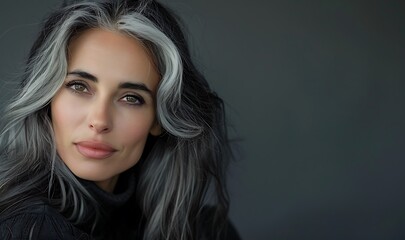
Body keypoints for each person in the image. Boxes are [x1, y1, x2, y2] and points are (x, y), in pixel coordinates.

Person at [0, 0, 240, 239]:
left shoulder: (203, 230)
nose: (100, 120)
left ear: (159, 118)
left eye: (131, 98)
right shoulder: (28, 227)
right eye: (79, 86)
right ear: (47, 97)